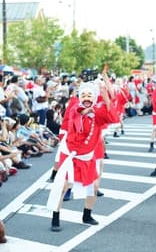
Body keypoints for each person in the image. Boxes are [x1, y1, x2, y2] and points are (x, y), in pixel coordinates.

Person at [46, 80, 119, 232]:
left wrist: (104, 95)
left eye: (90, 95)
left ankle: (87, 215)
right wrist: (87, 111)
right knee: (64, 186)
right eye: (84, 95)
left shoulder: (98, 113)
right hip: (71, 154)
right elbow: (77, 115)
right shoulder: (74, 108)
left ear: (94, 98)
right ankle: (55, 217)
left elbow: (113, 118)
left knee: (94, 186)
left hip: (87, 156)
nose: (86, 97)